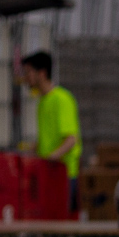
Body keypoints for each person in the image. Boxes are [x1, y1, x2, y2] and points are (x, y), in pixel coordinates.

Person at [18, 51, 81, 212]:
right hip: (48, 173)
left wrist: (52, 157)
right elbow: (49, 137)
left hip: (63, 173)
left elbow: (71, 139)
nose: (26, 78)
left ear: (42, 73)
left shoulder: (61, 99)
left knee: (61, 221)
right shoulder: (43, 101)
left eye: (28, 73)